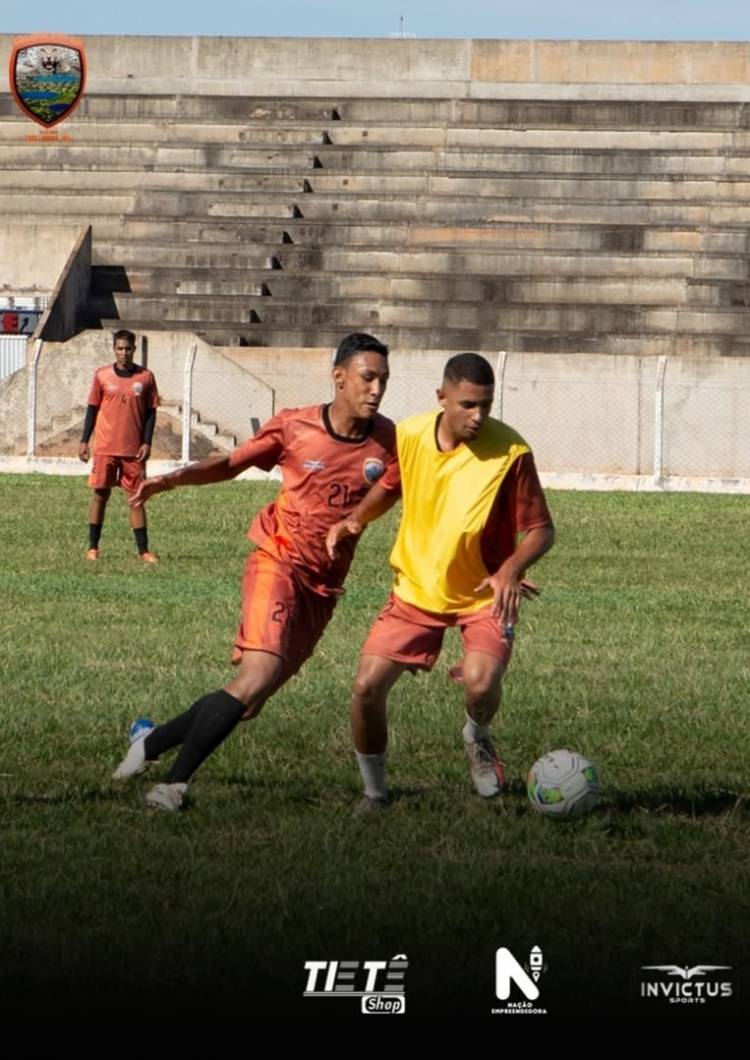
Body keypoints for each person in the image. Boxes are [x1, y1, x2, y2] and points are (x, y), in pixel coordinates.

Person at [112, 332, 395, 811]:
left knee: (249, 702)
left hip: (322, 588)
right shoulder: (296, 427)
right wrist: (170, 480)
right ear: (339, 376)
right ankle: (172, 786)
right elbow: (230, 464)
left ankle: (151, 741)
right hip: (277, 558)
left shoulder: (392, 442)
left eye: (383, 381)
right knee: (257, 676)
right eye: (368, 378)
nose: (376, 389)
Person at [326, 352, 555, 811]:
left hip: (481, 593)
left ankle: (477, 735)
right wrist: (355, 520)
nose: (478, 416)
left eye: (486, 406)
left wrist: (510, 569)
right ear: (442, 398)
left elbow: (541, 529)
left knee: (481, 682)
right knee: (367, 687)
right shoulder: (410, 434)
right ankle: (374, 793)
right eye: (468, 405)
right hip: (417, 588)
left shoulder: (511, 453)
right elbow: (392, 485)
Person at [78, 329, 160, 563]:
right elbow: (92, 409)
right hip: (105, 447)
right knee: (100, 495)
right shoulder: (102, 376)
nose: (124, 353)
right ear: (114, 349)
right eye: (119, 348)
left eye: (128, 348)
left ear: (135, 349)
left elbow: (151, 413)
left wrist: (147, 442)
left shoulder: (145, 378)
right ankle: (93, 547)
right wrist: (85, 440)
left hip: (133, 451)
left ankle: (143, 551)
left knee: (136, 498)